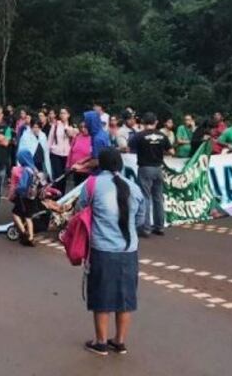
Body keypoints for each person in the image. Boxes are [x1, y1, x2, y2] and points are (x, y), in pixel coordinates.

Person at [77, 147, 146, 356]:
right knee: (125, 298)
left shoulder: (92, 185)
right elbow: (140, 219)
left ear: (101, 165)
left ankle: (100, 343)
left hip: (102, 249)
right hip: (129, 250)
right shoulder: (134, 188)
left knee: (101, 297)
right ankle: (119, 341)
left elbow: (81, 209)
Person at [132, 113, 172, 237]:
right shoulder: (162, 135)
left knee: (145, 197)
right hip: (158, 168)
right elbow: (171, 151)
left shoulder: (139, 135)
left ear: (143, 123)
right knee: (158, 198)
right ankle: (159, 226)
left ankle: (146, 228)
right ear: (156, 122)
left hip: (145, 168)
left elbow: (129, 148)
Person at [47, 108, 76, 192]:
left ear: (68, 115)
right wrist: (48, 151)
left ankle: (62, 194)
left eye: (64, 113)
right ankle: (56, 194)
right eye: (61, 113)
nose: (62, 115)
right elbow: (50, 139)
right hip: (56, 153)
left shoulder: (72, 126)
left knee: (64, 176)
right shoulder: (55, 125)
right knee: (57, 175)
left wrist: (67, 127)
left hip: (67, 154)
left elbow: (73, 137)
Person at [67, 120, 94, 188]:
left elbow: (93, 154)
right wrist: (68, 165)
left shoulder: (93, 138)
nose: (83, 129)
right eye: (81, 127)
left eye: (85, 127)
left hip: (87, 170)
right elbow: (71, 151)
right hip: (76, 169)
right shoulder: (77, 137)